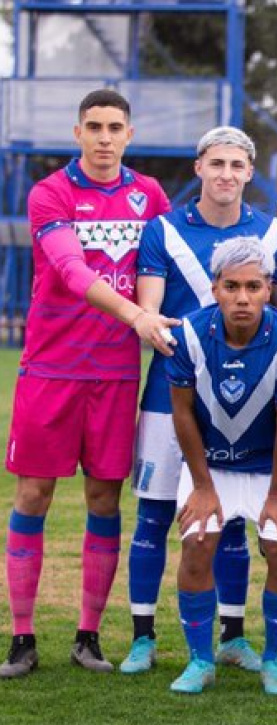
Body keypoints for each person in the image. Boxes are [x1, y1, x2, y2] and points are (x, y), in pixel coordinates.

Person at [122, 126, 277, 675]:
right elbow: (150, 311)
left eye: (236, 165)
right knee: (156, 516)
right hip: (174, 390)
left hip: (249, 398)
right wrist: (182, 337)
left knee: (228, 523)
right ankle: (142, 638)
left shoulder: (273, 232)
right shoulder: (163, 229)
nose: (226, 174)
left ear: (250, 172)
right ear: (199, 167)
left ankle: (231, 636)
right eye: (217, 163)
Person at [1, 89, 174, 679]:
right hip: (50, 369)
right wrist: (136, 316)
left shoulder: (149, 195)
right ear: (77, 133)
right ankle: (22, 638)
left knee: (104, 500)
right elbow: (72, 271)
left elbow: (173, 262)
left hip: (115, 373)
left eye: (114, 127)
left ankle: (88, 636)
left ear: (129, 134)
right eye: (94, 127)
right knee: (33, 496)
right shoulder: (50, 193)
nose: (104, 137)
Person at [165, 236, 277, 695]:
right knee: (197, 542)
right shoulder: (188, 334)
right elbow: (182, 412)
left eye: (253, 286)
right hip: (209, 467)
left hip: (274, 468)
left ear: (268, 288)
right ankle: (200, 661)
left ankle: (275, 663)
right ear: (215, 289)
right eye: (231, 287)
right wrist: (202, 486)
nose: (242, 298)